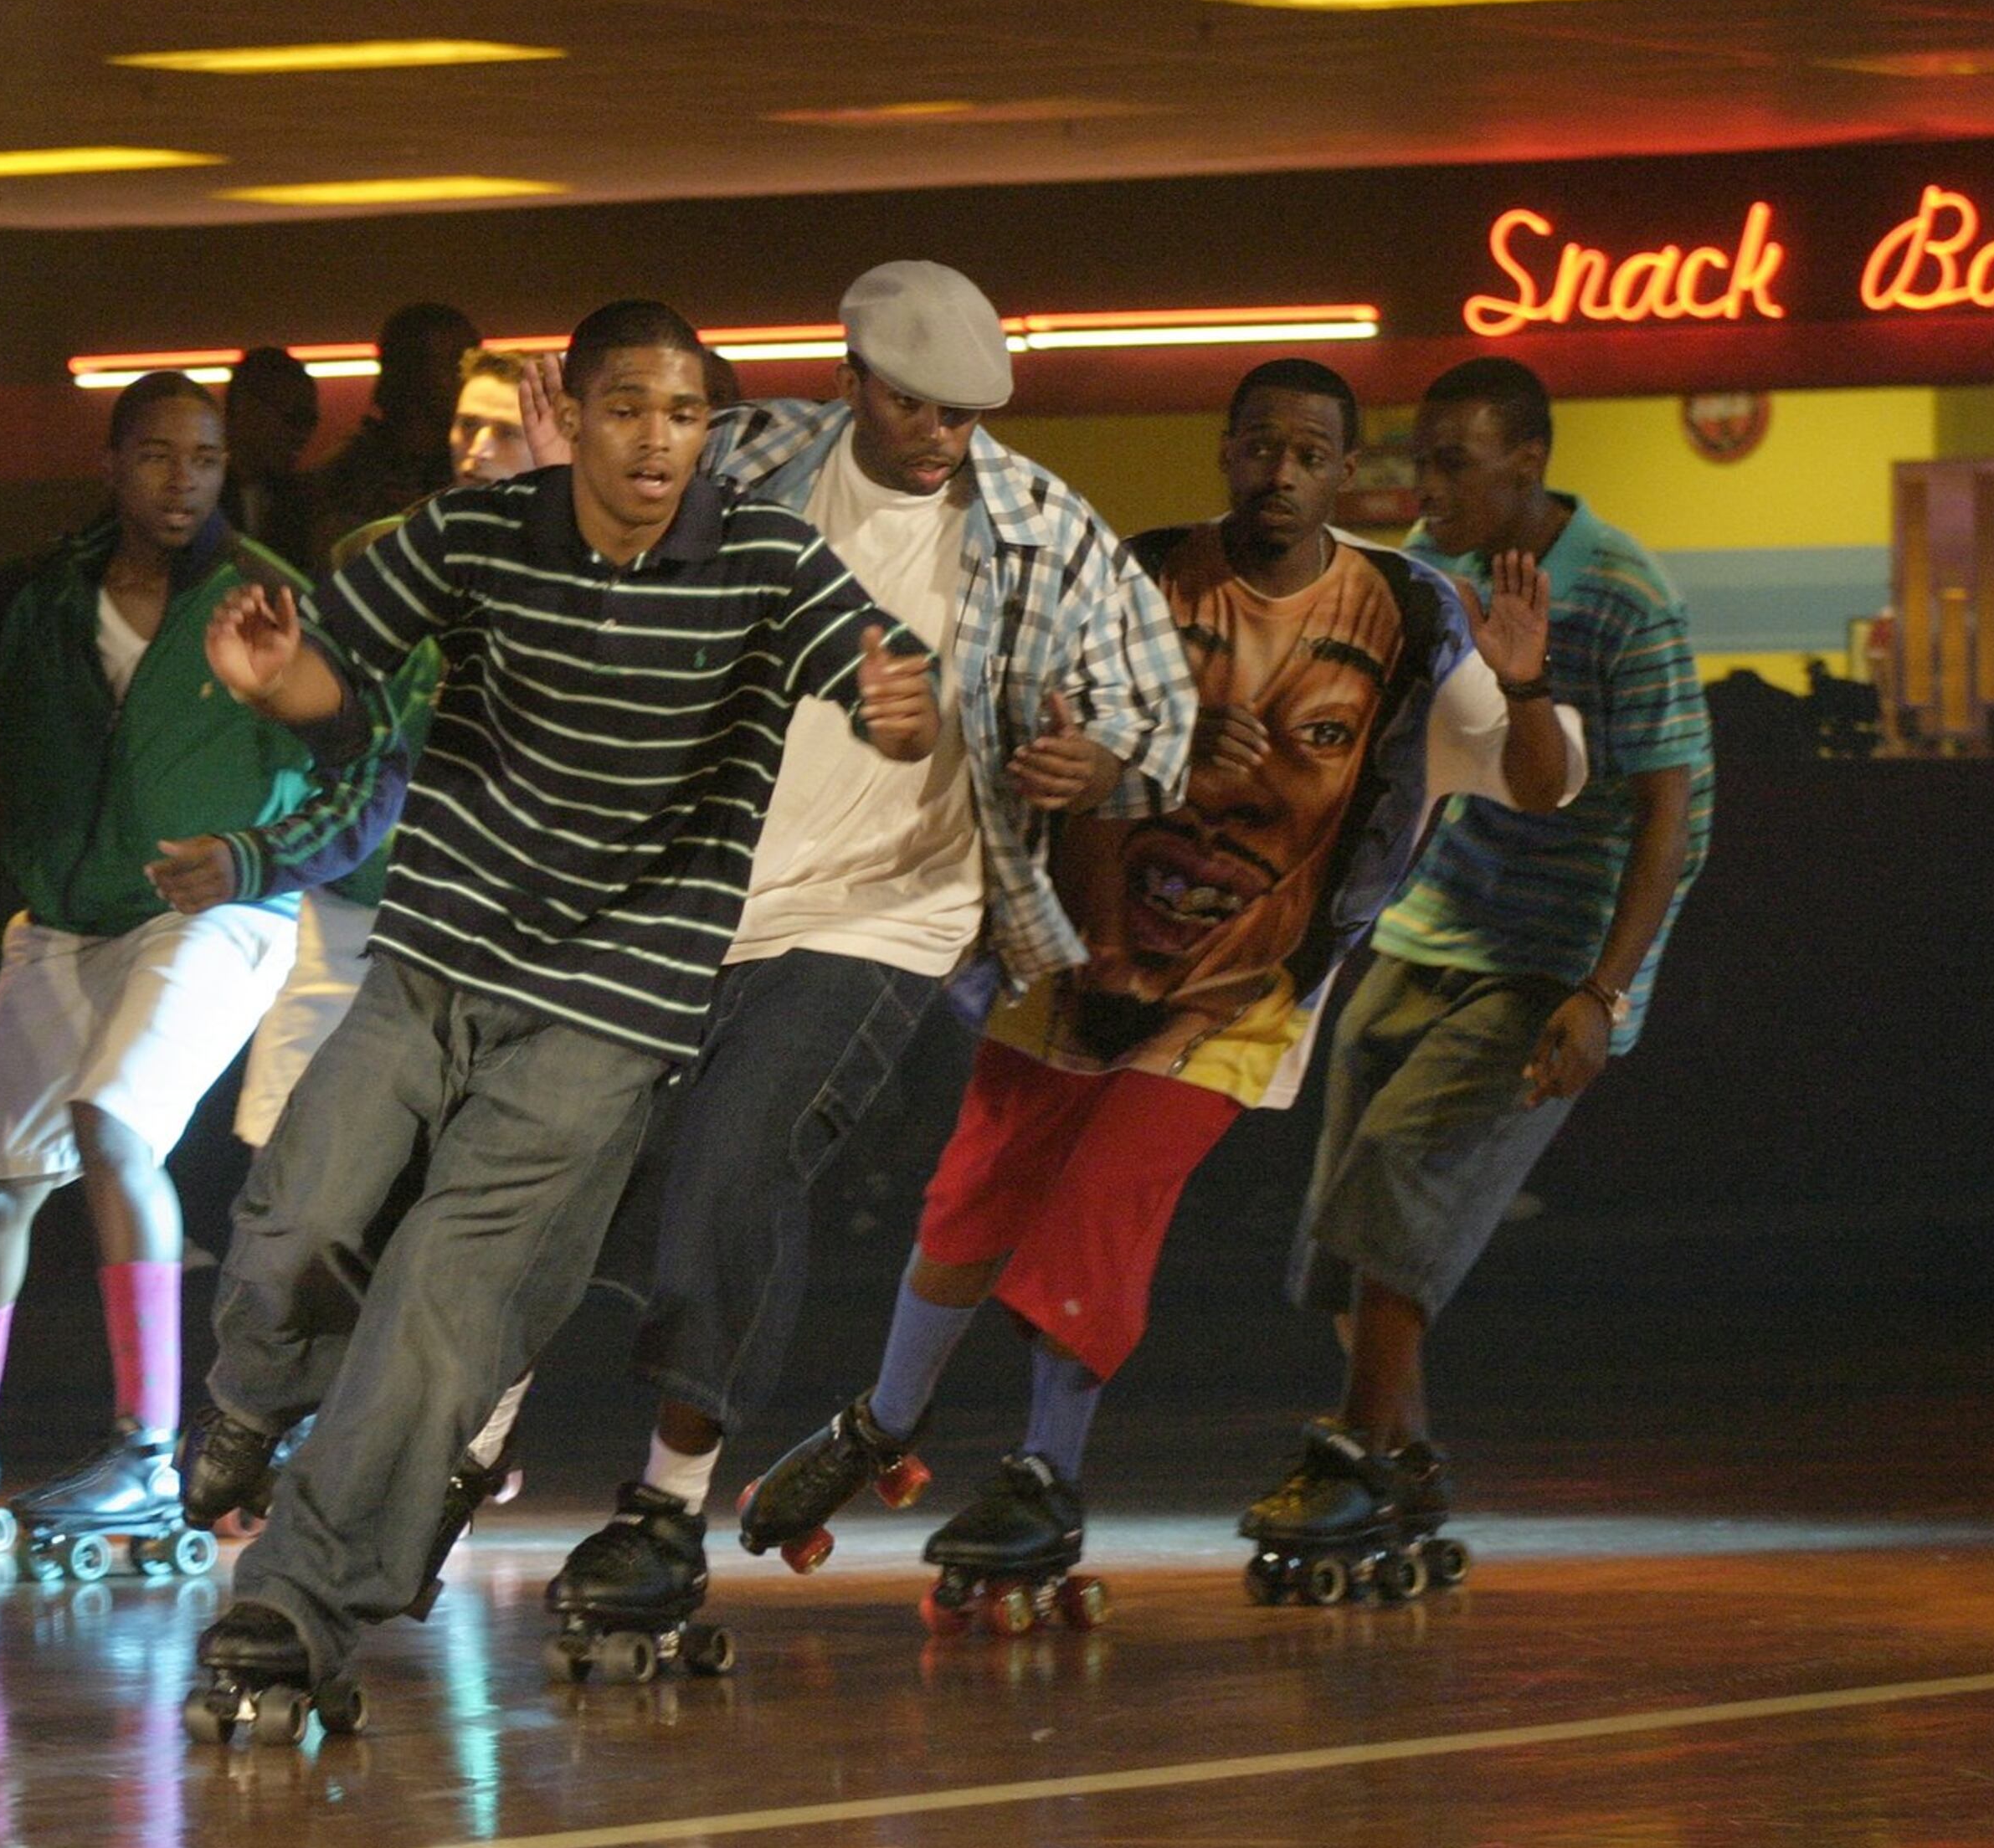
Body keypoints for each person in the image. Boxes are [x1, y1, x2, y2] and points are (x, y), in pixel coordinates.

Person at [172, 300, 940, 1734]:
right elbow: (338, 685)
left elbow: (877, 665)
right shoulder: (476, 534)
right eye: (633, 406)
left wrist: (902, 708)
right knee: (297, 1215)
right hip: (432, 964)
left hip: (604, 1011)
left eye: (689, 414)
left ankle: (294, 1604)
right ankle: (249, 1387)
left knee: (437, 1313)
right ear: (572, 414)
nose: (661, 437)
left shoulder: (764, 558)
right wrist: (282, 681)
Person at [734, 357, 1583, 1630]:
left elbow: (1540, 782)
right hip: (1083, 944)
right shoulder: (1136, 573)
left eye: (1311, 454)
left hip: (1241, 986)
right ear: (1227, 451)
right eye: (1261, 447)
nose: (1282, 473)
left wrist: (1519, 682)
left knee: (1105, 1193)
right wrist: (1154, 741)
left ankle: (1046, 1475)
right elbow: (1037, 738)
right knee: (976, 1184)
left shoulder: (1411, 619)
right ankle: (884, 1422)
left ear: (1346, 474)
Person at [517, 263, 1197, 1657]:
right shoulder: (746, 452)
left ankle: (666, 1504)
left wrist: (1103, 753)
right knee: (570, 1168)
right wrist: (563, 491)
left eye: (964, 413)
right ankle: (461, 1450)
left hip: (892, 914)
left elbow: (1160, 701)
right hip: (691, 894)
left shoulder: (1037, 527)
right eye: (915, 406)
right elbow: (588, 598)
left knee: (741, 1146)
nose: (943, 435)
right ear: (850, 378)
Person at [0, 372, 398, 1569]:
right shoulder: (40, 599)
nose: (180, 479)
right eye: (156, 456)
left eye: (201, 459)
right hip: (68, 920)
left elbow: (366, 757)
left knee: (112, 1123)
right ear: (111, 463)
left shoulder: (271, 599)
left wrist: (260, 854)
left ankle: (149, 1449)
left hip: (220, 912)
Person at [1241, 354, 1711, 1588]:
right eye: (1418, 460)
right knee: (1348, 1213)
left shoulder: (1623, 594)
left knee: (1403, 1177)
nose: (1426, 484)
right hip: (1421, 931)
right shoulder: (1427, 572)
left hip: (1545, 959)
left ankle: (1356, 1452)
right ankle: (1402, 1457)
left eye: (1453, 463)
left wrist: (1605, 992)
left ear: (1529, 465)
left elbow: (1674, 812)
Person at [229, 347, 532, 1158]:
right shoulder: (383, 555)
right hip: (353, 897)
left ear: (554, 434)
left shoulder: (582, 581)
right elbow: (348, 726)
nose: (476, 448)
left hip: (478, 925)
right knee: (281, 1153)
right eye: (468, 424)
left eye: (502, 430)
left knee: (426, 1171)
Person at [300, 302, 481, 569]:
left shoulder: (474, 469)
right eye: (456, 363)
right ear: (411, 371)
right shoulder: (340, 478)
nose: (470, 378)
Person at [219, 346, 319, 554]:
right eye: (294, 418)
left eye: (310, 421)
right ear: (245, 410)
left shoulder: (306, 503)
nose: (303, 435)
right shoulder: (201, 496)